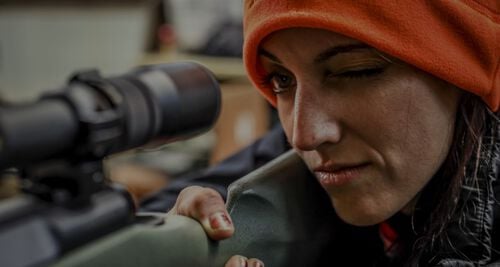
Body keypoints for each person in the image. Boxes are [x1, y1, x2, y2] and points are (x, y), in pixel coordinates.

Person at [156, 1, 500, 266]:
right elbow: (163, 211)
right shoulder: (311, 152)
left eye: (354, 71)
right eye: (281, 79)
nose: (303, 135)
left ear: (464, 74)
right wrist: (186, 234)